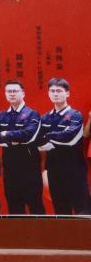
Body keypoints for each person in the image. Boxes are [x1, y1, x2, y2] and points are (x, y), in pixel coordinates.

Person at [0, 80, 45, 214]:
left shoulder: (32, 114)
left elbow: (28, 135)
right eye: (9, 91)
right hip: (9, 167)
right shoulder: (2, 115)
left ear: (23, 93)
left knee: (35, 205)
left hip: (29, 166)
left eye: (15, 91)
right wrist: (14, 139)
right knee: (14, 208)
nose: (12, 94)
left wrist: (6, 134)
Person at [41, 78, 90, 215]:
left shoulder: (75, 115)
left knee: (82, 209)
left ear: (67, 93)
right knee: (60, 210)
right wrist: (54, 136)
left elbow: (69, 139)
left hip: (74, 168)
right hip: (54, 169)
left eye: (59, 91)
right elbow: (39, 140)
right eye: (52, 91)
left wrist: (47, 136)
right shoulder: (44, 118)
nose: (55, 94)